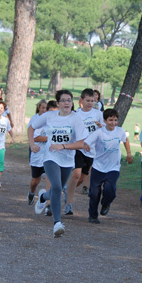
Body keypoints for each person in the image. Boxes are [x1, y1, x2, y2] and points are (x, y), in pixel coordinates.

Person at [28, 90, 87, 237]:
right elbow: (31, 128)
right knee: (56, 186)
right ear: (58, 103)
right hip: (50, 156)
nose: (67, 103)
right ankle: (57, 223)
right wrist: (32, 144)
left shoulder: (76, 119)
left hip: (67, 159)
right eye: (64, 100)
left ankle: (42, 197)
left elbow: (80, 143)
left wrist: (63, 146)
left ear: (72, 103)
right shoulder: (49, 116)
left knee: (57, 190)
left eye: (69, 100)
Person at [82, 109, 133, 223]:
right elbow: (87, 141)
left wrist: (129, 154)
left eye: (115, 120)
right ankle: (93, 216)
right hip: (98, 167)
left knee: (110, 190)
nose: (113, 123)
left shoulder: (120, 131)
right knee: (94, 193)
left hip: (113, 167)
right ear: (104, 120)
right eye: (110, 120)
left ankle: (106, 203)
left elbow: (125, 140)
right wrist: (86, 145)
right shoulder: (99, 132)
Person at [63, 88, 103, 215]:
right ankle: (68, 205)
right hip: (79, 148)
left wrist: (101, 126)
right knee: (76, 174)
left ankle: (67, 189)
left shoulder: (98, 114)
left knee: (81, 178)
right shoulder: (75, 114)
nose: (90, 103)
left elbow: (105, 131)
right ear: (81, 100)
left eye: (92, 100)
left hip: (92, 151)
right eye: (88, 100)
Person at [26, 100, 57, 205]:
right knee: (35, 181)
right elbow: (36, 137)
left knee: (50, 179)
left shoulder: (57, 123)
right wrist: (50, 138)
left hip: (50, 156)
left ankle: (48, 205)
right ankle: (31, 192)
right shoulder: (39, 121)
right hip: (38, 154)